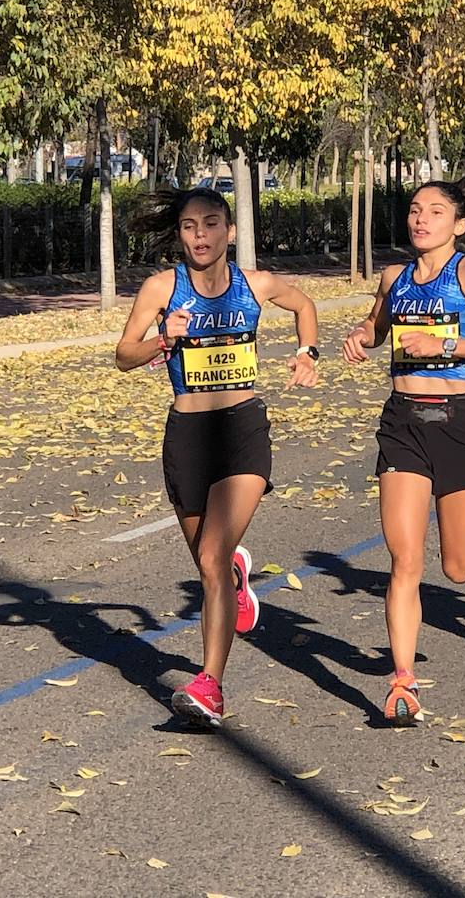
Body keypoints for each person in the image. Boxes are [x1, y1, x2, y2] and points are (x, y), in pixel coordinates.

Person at [114, 187, 320, 727]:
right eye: (188, 226)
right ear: (179, 234)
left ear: (229, 231)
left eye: (210, 224)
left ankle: (210, 686)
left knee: (208, 560)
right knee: (209, 562)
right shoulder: (162, 288)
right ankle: (235, 573)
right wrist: (162, 339)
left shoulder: (254, 284)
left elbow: (304, 305)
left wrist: (306, 352)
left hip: (242, 430)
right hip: (186, 434)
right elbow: (122, 356)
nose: (199, 235)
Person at [343, 166, 465, 725]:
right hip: (402, 422)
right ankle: (403, 682)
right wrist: (360, 338)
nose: (422, 220)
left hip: (458, 421)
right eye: (416, 211)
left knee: (455, 566)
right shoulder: (393, 277)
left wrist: (443, 340)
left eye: (436, 212)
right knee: (404, 560)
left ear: (459, 224)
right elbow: (376, 328)